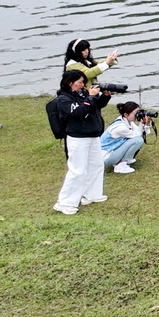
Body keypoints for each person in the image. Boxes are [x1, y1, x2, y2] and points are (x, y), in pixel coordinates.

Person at [52, 69, 112, 214]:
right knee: (77, 170)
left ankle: (92, 194)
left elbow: (95, 106)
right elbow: (79, 111)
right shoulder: (63, 99)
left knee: (96, 165)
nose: (83, 84)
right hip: (77, 137)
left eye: (83, 81)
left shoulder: (83, 94)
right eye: (80, 82)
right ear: (70, 83)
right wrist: (90, 97)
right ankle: (65, 202)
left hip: (92, 135)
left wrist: (104, 97)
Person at [100, 101, 151, 173]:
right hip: (106, 158)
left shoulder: (126, 121)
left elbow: (140, 132)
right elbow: (137, 137)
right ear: (126, 114)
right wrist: (142, 124)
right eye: (135, 114)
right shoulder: (120, 127)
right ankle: (121, 165)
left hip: (111, 152)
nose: (137, 115)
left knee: (138, 140)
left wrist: (146, 124)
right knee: (138, 140)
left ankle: (124, 160)